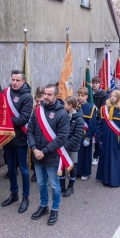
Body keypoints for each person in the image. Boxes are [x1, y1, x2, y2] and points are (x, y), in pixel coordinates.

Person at [27, 84, 70, 226]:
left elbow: (62, 138)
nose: (46, 96)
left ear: (56, 96)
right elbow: (30, 131)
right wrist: (33, 149)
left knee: (54, 185)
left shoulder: (62, 114)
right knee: (40, 183)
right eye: (45, 94)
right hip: (37, 155)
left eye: (50, 94)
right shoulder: (38, 110)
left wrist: (43, 152)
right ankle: (44, 206)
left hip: (51, 157)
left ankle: (55, 209)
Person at [1, 70, 33, 214]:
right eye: (13, 79)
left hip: (20, 138)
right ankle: (14, 194)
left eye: (17, 80)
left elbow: (23, 119)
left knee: (24, 170)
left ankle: (25, 197)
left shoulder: (27, 97)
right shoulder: (5, 92)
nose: (14, 82)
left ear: (23, 82)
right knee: (11, 169)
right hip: (7, 138)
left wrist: (3, 122)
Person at [96, 90, 120, 187]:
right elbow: (99, 124)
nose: (112, 98)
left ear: (119, 98)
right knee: (105, 157)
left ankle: (114, 181)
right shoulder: (104, 109)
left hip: (117, 139)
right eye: (111, 96)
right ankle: (104, 178)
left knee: (115, 159)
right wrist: (99, 137)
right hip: (106, 137)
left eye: (115, 96)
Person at [59, 96, 84, 197]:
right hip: (62, 146)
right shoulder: (65, 115)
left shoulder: (79, 119)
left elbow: (77, 136)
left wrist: (65, 146)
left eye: (65, 104)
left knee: (71, 166)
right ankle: (61, 185)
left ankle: (70, 187)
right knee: (61, 165)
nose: (63, 105)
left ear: (70, 106)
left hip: (72, 147)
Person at [76, 87, 97, 180]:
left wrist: (88, 137)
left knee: (85, 155)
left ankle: (85, 172)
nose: (80, 97)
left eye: (82, 96)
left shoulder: (91, 108)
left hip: (85, 134)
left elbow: (92, 124)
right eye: (79, 95)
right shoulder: (76, 106)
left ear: (87, 96)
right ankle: (76, 171)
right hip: (76, 133)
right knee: (76, 154)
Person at [91, 76, 107, 165]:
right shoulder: (89, 93)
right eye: (93, 83)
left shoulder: (103, 94)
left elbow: (102, 108)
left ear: (99, 84)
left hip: (97, 118)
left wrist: (94, 113)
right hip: (89, 118)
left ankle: (96, 156)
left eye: (96, 83)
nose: (94, 85)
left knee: (97, 138)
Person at [30, 87, 45, 182]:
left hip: (45, 139)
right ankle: (36, 173)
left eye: (40, 101)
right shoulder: (34, 111)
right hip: (35, 139)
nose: (38, 103)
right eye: (37, 101)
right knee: (35, 158)